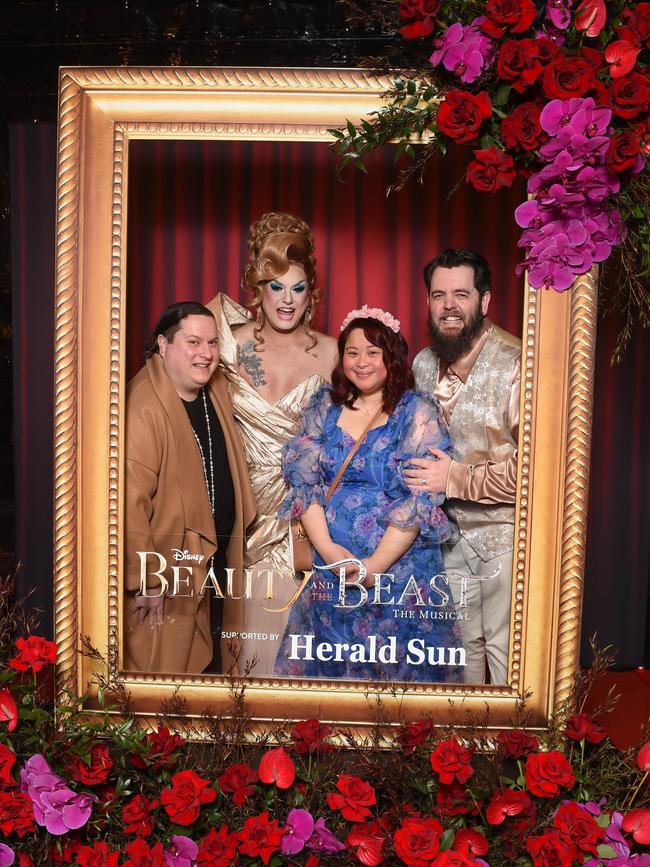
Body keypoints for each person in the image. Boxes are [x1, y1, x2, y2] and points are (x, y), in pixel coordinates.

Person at [273, 308, 465, 683]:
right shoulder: (324, 406)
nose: (361, 362)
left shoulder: (416, 411)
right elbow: (305, 484)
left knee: (396, 674)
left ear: (391, 357)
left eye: (373, 352)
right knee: (329, 670)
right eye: (352, 352)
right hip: (333, 571)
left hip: (397, 575)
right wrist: (328, 551)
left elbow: (419, 498)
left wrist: (373, 567)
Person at [206, 212, 337, 675]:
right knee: (241, 661)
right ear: (257, 287)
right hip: (238, 519)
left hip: (301, 522)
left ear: (312, 292)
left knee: (296, 660)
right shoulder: (222, 345)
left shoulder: (335, 352)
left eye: (298, 288)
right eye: (275, 286)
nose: (287, 300)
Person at [404, 249, 521, 685]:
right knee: (458, 655)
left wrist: (454, 477)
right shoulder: (422, 363)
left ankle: (516, 749)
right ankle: (465, 744)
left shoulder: (517, 364)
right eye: (439, 295)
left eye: (461, 294)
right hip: (443, 539)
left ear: (485, 301)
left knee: (505, 650)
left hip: (505, 540)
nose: (449, 305)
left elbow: (536, 471)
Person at [123, 302, 255, 674]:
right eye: (193, 342)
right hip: (170, 575)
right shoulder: (144, 408)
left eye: (212, 342)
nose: (206, 353)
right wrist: (147, 578)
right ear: (163, 345)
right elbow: (128, 504)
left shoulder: (211, 390)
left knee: (212, 672)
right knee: (169, 676)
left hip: (212, 566)